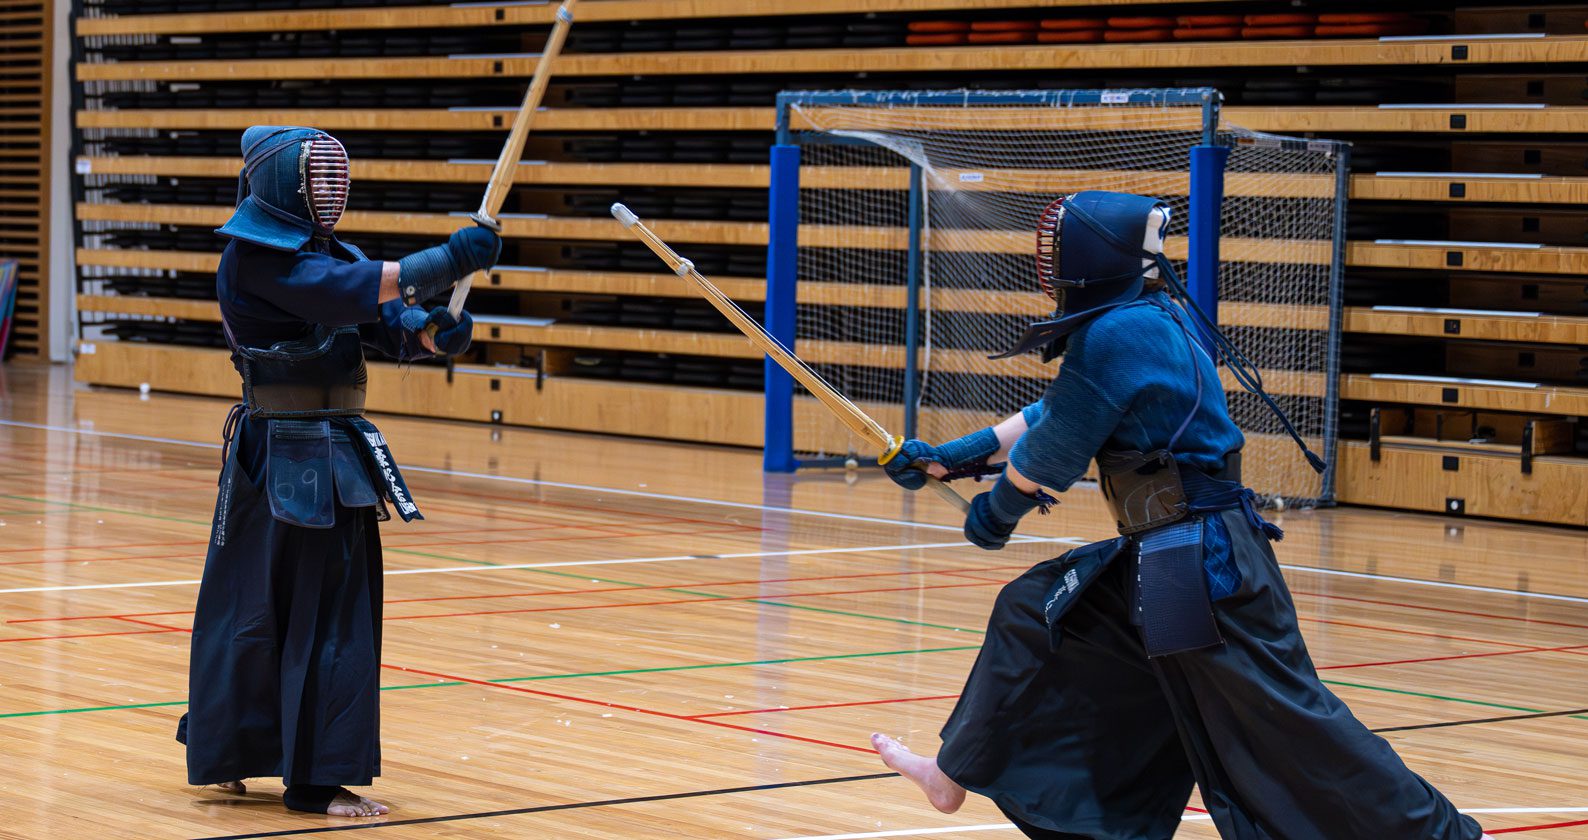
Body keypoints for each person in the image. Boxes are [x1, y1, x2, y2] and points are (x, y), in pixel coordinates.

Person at [874, 192, 1489, 839]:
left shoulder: (1117, 333)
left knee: (1288, 722)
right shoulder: (1141, 318)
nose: (1050, 259)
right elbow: (1054, 413)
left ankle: (1441, 836)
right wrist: (954, 457)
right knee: (1035, 613)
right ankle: (958, 773)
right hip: (1167, 555)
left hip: (1196, 563)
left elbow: (1048, 455)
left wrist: (993, 516)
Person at [175, 126, 500, 818]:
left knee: (311, 612)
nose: (329, 191)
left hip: (333, 456)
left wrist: (432, 333)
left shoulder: (331, 254)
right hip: (279, 456)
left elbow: (385, 321)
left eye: (334, 177)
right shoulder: (253, 262)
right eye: (315, 178)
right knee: (259, 612)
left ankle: (279, 760)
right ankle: (290, 772)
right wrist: (441, 259)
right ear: (279, 185)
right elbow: (340, 292)